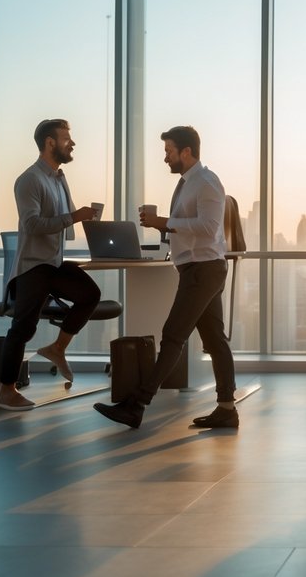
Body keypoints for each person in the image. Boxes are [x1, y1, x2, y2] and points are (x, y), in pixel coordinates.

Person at [93, 126, 239, 429]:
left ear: (186, 152)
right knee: (215, 340)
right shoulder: (188, 183)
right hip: (197, 267)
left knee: (173, 336)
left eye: (169, 150)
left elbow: (209, 227)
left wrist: (165, 222)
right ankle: (227, 408)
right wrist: (163, 228)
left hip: (203, 270)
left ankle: (137, 405)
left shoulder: (207, 182)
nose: (165, 157)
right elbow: (192, 228)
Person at [0, 118, 101, 411]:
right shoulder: (29, 179)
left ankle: (57, 348)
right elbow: (32, 224)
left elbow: (64, 224)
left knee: (90, 295)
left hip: (53, 263)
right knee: (22, 328)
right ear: (50, 142)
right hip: (33, 266)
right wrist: (75, 216)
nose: (73, 143)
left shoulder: (58, 177)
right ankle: (6, 391)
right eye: (67, 138)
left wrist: (85, 222)